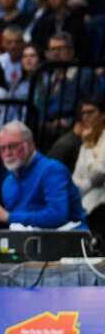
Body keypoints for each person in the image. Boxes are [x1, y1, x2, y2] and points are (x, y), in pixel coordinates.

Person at [0, 121, 86, 230]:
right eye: (2, 148)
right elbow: (18, 227)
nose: (7, 153)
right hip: (30, 242)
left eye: (12, 146)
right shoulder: (8, 183)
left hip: (69, 241)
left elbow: (57, 215)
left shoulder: (52, 170)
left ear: (30, 144)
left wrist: (9, 217)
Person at [71, 97, 105, 241]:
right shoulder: (85, 143)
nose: (85, 117)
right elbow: (75, 178)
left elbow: (100, 172)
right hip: (86, 198)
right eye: (83, 113)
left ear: (103, 115)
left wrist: (84, 185)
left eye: (90, 112)